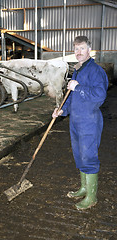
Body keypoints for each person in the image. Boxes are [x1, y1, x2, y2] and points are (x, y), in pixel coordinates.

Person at [52, 36, 108, 210]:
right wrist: (62, 110)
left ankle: (91, 197)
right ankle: (84, 187)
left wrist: (78, 87)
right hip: (75, 121)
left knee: (88, 156)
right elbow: (71, 97)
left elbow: (99, 95)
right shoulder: (78, 70)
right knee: (79, 154)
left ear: (89, 50)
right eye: (76, 49)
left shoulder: (96, 71)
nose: (78, 52)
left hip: (89, 121)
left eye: (82, 48)